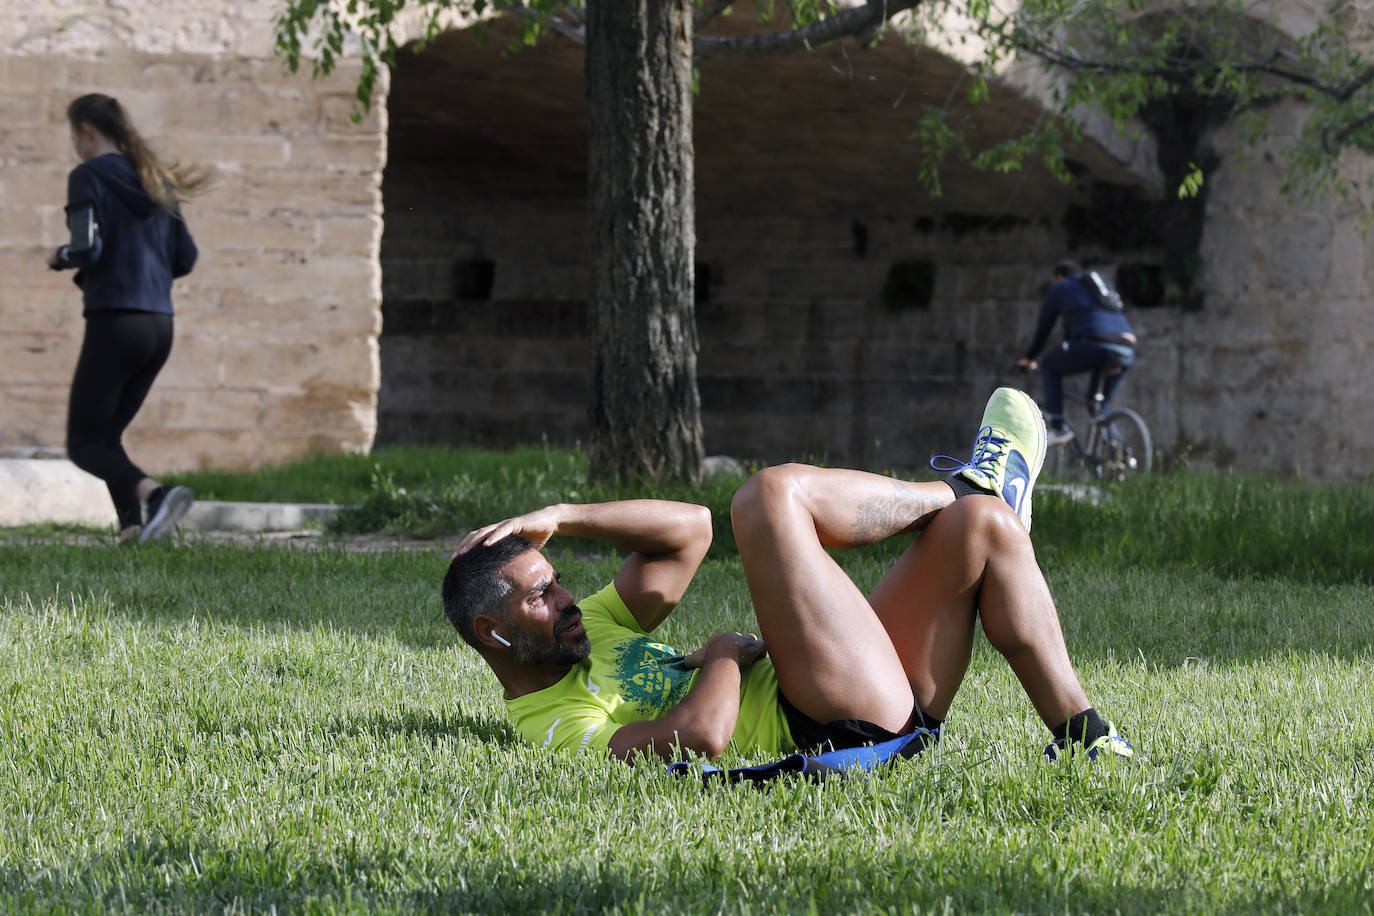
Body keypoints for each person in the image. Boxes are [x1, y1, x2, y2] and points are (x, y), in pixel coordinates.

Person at [442, 388, 1133, 765]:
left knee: (979, 531)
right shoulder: (551, 721)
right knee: (769, 500)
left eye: (556, 579)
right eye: (541, 595)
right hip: (831, 728)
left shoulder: (586, 626)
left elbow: (690, 529)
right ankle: (970, 487)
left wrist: (566, 513)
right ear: (492, 635)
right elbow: (701, 738)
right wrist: (722, 655)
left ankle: (1088, 736)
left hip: (860, 689)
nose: (566, 600)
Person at [46, 94, 211, 544]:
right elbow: (186, 257)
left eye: (73, 136)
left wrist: (59, 257)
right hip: (159, 325)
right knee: (106, 436)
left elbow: (85, 248)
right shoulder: (155, 180)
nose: (75, 145)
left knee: (83, 445)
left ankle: (158, 495)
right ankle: (131, 528)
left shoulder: (87, 176)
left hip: (115, 320)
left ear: (86, 131)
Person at [1017, 261, 1137, 444]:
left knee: (1049, 364)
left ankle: (1058, 426)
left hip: (1095, 344)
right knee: (1098, 403)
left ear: (1058, 277)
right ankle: (1115, 450)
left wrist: (1029, 358)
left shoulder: (1061, 287)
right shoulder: (1097, 286)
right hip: (1126, 348)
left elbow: (1044, 329)